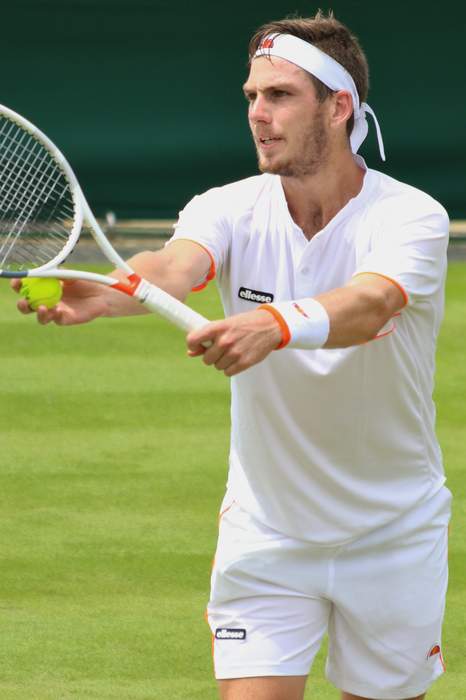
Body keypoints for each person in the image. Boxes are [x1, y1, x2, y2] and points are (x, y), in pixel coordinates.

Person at [14, 11, 451, 700]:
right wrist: (106, 291)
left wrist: (274, 324)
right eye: (251, 96)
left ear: (339, 108)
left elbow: (371, 303)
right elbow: (171, 267)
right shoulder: (226, 207)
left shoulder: (412, 218)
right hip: (267, 533)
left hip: (392, 534)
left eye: (279, 96)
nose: (258, 113)